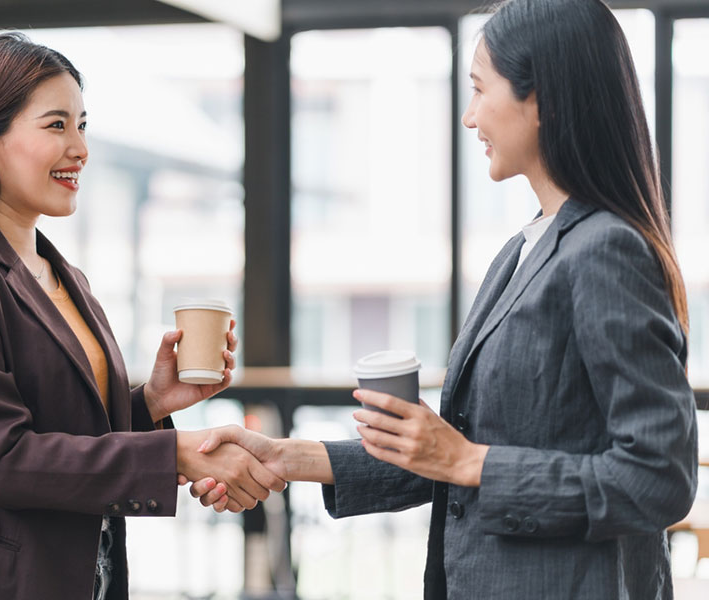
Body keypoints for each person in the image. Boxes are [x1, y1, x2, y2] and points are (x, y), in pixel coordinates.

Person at [189, 1, 699, 598]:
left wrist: (468, 463)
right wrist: (284, 458)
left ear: (544, 101)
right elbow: (454, 450)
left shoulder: (605, 249)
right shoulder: (524, 248)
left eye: (481, 90)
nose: (468, 116)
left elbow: (659, 478)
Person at [0, 33, 284, 600]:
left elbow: (67, 436)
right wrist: (174, 454)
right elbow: (0, 458)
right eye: (55, 125)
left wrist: (150, 404)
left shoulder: (64, 275)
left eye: (83, 125)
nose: (80, 148)